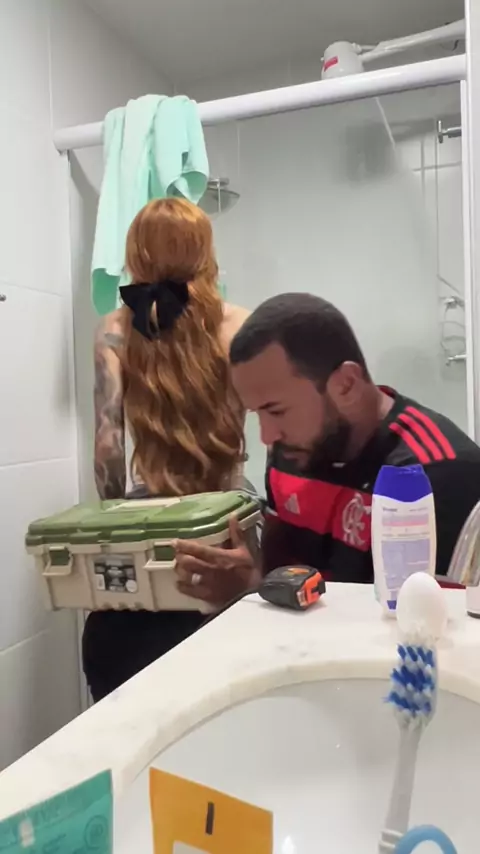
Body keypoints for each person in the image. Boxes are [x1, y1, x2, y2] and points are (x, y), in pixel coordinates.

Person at [175, 292, 480, 604]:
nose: (267, 436)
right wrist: (249, 585)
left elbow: (430, 622)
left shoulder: (436, 472)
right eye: (257, 414)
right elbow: (281, 577)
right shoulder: (291, 451)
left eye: (276, 411)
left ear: (346, 384)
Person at [84, 197, 249, 700]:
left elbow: (108, 446)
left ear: (137, 254)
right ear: (203, 252)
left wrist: (113, 526)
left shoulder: (114, 331)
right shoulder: (239, 326)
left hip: (146, 525)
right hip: (223, 520)